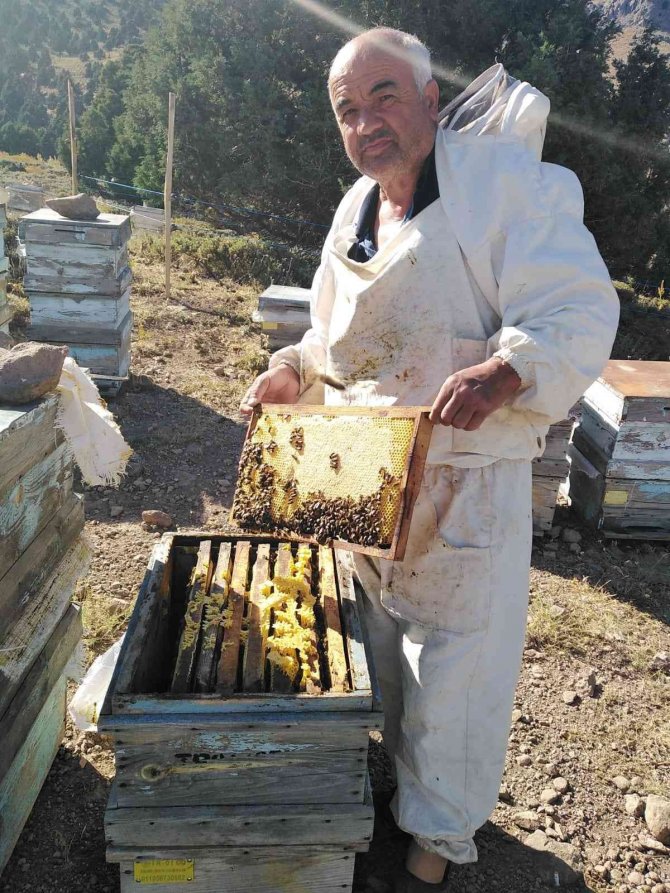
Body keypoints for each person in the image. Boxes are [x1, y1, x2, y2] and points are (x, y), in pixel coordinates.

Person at [241, 27, 619, 891]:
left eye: (384, 96)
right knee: (378, 646)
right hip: (364, 476)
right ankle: (395, 787)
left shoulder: (502, 186)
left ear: (429, 100)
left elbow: (577, 306)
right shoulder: (355, 207)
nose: (366, 122)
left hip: (465, 484)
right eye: (347, 110)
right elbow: (328, 334)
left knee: (454, 673)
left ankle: (434, 849)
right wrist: (291, 369)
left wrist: (509, 369)